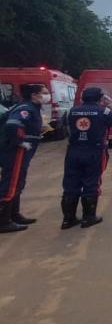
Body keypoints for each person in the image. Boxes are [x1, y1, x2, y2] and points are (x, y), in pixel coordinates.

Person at [61, 87, 112, 229]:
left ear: (83, 97)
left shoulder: (71, 111)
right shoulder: (104, 111)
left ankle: (68, 220)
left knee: (70, 184)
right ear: (100, 98)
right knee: (91, 183)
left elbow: (64, 128)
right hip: (94, 151)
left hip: (73, 151)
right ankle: (88, 218)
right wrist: (110, 105)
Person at [0, 83, 48, 233]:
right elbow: (12, 125)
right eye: (44, 93)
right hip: (16, 151)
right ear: (34, 95)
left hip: (21, 151)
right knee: (11, 183)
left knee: (18, 181)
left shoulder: (30, 107)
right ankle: (3, 221)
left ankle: (14, 215)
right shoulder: (26, 108)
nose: (47, 95)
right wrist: (20, 142)